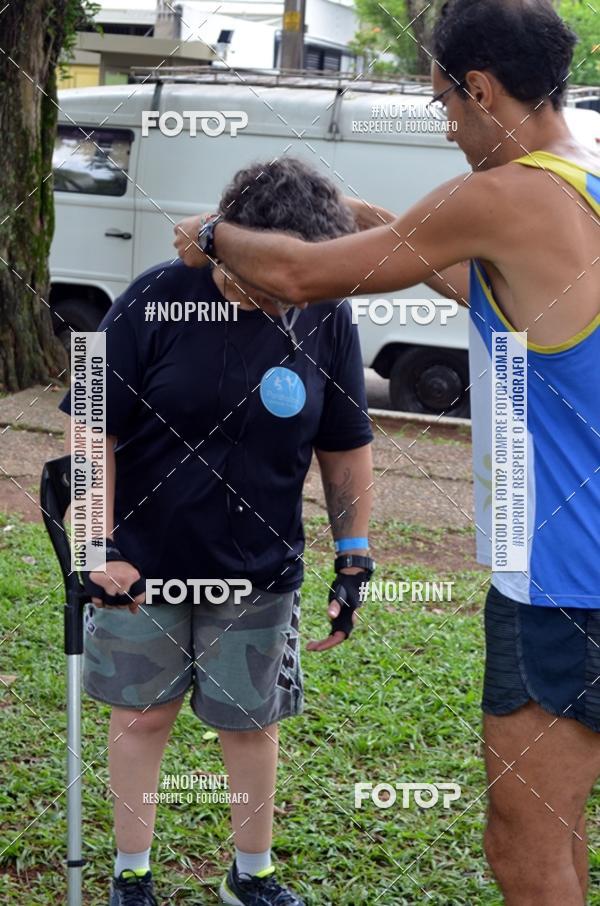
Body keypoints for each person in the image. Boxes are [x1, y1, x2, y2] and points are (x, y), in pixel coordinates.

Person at [174, 1, 600, 902]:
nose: (445, 122)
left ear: (482, 88)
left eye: (444, 100)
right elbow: (500, 299)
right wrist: (367, 217)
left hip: (568, 583)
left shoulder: (501, 193)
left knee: (526, 845)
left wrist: (214, 235)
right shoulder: (580, 177)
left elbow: (292, 275)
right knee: (567, 823)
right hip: (580, 570)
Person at [59, 157, 375, 906]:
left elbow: (345, 442)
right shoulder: (154, 297)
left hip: (260, 569)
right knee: (141, 719)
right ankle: (131, 874)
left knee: (250, 724)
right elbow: (89, 425)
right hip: (142, 565)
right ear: (229, 243)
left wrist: (354, 554)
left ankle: (251, 876)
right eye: (266, 278)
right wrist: (95, 544)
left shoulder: (325, 311)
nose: (280, 297)